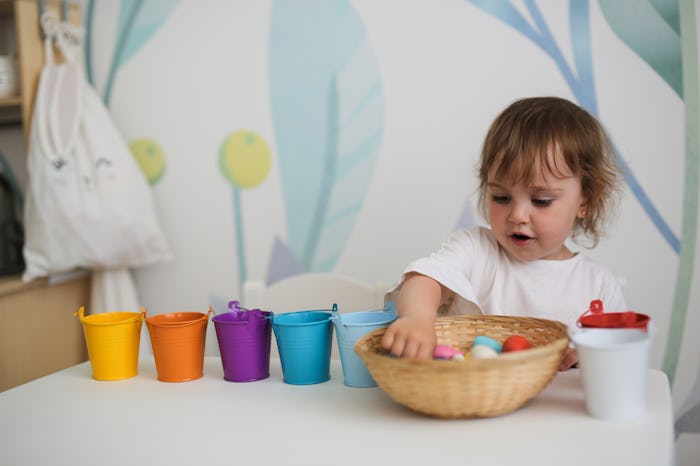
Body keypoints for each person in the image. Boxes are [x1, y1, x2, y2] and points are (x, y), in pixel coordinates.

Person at [381, 96, 626, 370]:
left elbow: (621, 362)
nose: (517, 216)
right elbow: (424, 278)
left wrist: (593, 356)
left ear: (585, 201)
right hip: (479, 403)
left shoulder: (598, 285)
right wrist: (417, 318)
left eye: (541, 201)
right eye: (501, 197)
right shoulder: (476, 249)